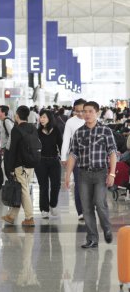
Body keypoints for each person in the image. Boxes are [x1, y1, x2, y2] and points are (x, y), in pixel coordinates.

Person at [65, 101, 117, 249]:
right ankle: (92, 238)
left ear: (97, 113)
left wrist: (112, 173)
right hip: (83, 175)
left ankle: (106, 228)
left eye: (90, 111)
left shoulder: (105, 131)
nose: (86, 114)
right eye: (84, 111)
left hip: (101, 173)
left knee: (100, 204)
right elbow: (73, 155)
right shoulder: (79, 132)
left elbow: (112, 153)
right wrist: (67, 175)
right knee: (86, 208)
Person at [1, 105, 37, 227]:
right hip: (30, 164)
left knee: (23, 190)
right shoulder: (32, 127)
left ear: (17, 115)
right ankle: (11, 216)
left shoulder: (16, 129)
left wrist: (10, 168)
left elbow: (13, 150)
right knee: (21, 188)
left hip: (19, 165)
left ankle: (29, 217)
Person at [61, 98, 86, 221]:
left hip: (91, 158)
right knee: (78, 184)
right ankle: (81, 211)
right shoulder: (70, 122)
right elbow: (66, 140)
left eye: (82, 111)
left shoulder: (93, 119)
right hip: (76, 157)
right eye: (77, 111)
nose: (80, 114)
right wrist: (63, 157)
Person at [35, 109, 62, 218]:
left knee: (56, 184)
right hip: (41, 162)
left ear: (49, 118)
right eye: (41, 117)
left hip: (54, 160)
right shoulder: (37, 132)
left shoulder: (56, 130)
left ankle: (53, 204)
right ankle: (44, 209)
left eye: (44, 117)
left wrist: (64, 158)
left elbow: (60, 145)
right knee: (43, 186)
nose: (41, 119)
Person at [0, 105, 14, 179]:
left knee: (8, 169)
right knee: (7, 169)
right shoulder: (2, 121)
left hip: (9, 149)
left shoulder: (6, 121)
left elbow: (12, 134)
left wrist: (6, 147)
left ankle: (12, 187)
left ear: (3, 112)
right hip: (6, 148)